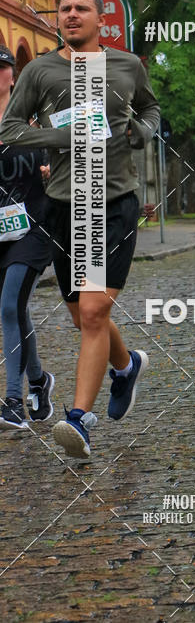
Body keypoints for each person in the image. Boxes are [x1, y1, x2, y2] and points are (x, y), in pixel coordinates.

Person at [0, 0, 160, 458]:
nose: (71, 14)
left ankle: (78, 420)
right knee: (82, 314)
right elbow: (10, 127)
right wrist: (64, 136)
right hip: (62, 203)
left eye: (81, 8)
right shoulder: (39, 70)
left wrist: (141, 131)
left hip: (113, 201)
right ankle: (126, 366)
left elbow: (150, 108)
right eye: (65, 8)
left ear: (100, 19)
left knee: (92, 312)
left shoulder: (126, 66)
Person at [0, 47, 54, 430]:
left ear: (12, 75)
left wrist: (53, 168)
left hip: (34, 227)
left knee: (8, 307)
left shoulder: (32, 119)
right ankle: (39, 380)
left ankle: (13, 402)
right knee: (16, 309)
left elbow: (66, 154)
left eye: (1, 67)